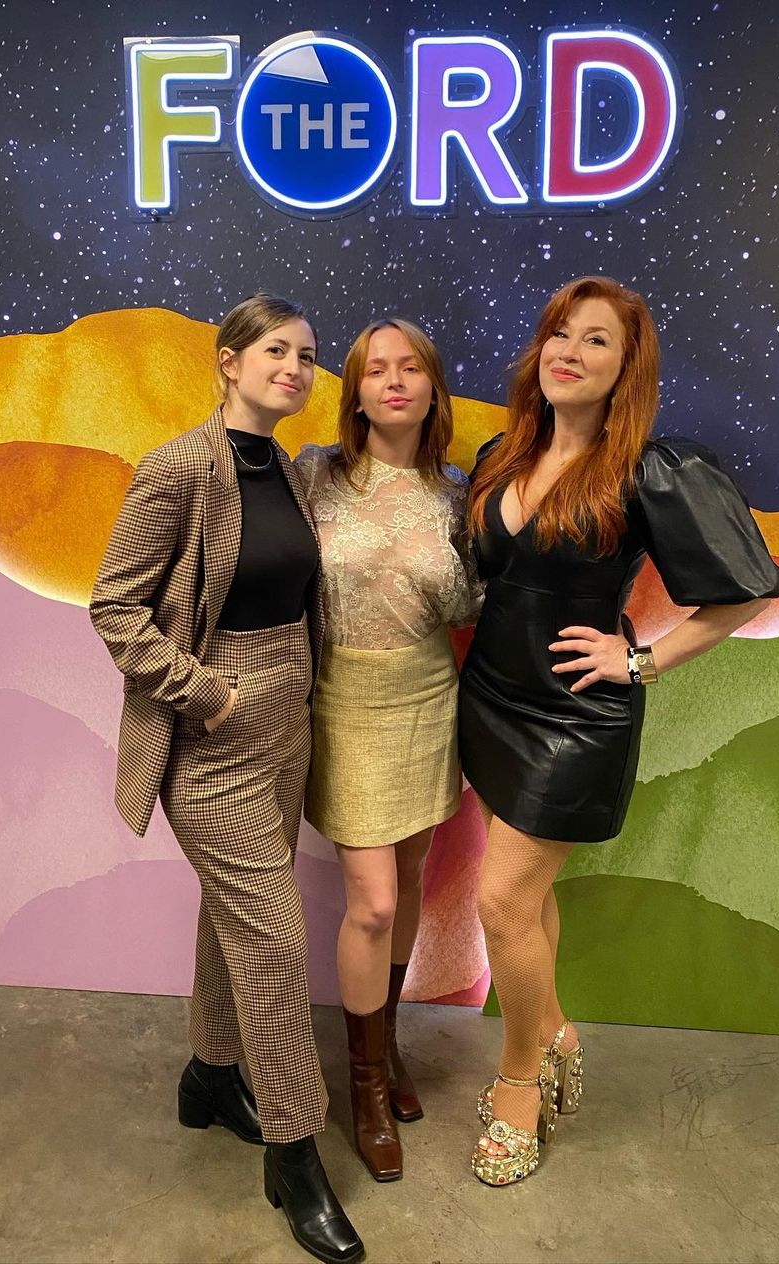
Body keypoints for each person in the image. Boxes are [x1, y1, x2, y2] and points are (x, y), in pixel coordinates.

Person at [458, 275, 779, 1187]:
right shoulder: (502, 453)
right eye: (560, 333)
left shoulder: (651, 469)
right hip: (489, 700)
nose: (569, 352)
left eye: (596, 339)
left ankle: (519, 1079)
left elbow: (740, 594)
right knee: (528, 900)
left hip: (573, 717)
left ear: (626, 367)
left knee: (500, 902)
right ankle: (557, 1032)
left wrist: (640, 658)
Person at [90, 292, 364, 1263]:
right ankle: (295, 1154)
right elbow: (115, 607)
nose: (295, 368)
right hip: (215, 739)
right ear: (229, 361)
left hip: (286, 728)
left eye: (308, 355)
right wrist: (206, 693)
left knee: (234, 914)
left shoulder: (284, 469)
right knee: (276, 943)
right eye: (276, 350)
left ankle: (210, 1077)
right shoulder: (177, 468)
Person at [295, 318, 481, 1182]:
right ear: (356, 392)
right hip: (344, 700)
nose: (395, 381)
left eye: (411, 368)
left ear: (432, 387)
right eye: (377, 370)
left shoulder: (456, 496)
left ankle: (389, 1043)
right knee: (370, 901)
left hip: (427, 699)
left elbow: (470, 603)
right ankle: (365, 1085)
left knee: (406, 880)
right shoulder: (316, 475)